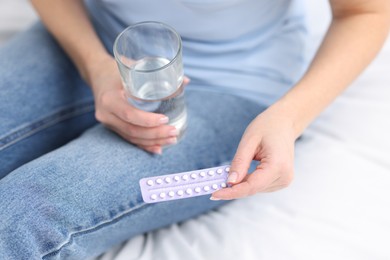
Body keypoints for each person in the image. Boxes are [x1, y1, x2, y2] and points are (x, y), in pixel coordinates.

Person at [0, 0, 389, 259]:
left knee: (25, 214)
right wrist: (95, 65)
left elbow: (365, 11)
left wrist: (289, 117)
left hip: (231, 85)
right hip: (89, 36)